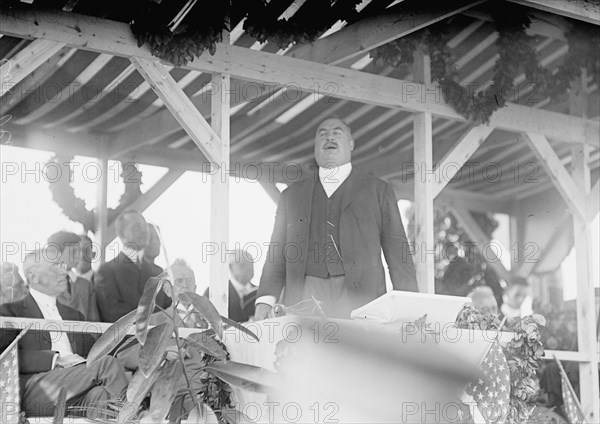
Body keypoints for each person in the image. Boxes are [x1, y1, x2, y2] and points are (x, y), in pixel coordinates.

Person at [255, 117, 418, 320]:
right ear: (315, 147)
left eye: (337, 132)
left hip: (362, 297)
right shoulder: (292, 195)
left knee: (358, 352)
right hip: (305, 296)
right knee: (304, 351)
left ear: (351, 143)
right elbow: (276, 253)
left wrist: (411, 307)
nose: (329, 136)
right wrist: (265, 300)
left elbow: (397, 251)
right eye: (322, 133)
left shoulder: (378, 190)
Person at [0, 247, 128, 418]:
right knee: (107, 365)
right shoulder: (9, 312)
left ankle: (125, 417)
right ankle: (133, 416)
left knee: (101, 397)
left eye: (62, 265)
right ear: (33, 276)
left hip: (75, 386)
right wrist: (54, 359)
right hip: (35, 389)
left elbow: (96, 352)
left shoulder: (75, 316)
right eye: (55, 266)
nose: (64, 271)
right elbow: (5, 358)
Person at [94, 210, 166, 322]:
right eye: (137, 227)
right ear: (122, 235)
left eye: (145, 226)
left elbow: (165, 309)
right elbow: (111, 312)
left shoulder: (158, 272)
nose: (144, 231)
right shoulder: (107, 271)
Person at [48, 231, 100, 321]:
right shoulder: (46, 284)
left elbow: (94, 321)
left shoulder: (86, 285)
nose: (79, 256)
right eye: (73, 252)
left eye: (79, 251)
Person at [205, 248, 258, 323]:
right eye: (243, 264)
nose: (249, 268)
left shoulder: (261, 293)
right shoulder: (214, 291)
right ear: (230, 267)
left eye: (251, 264)